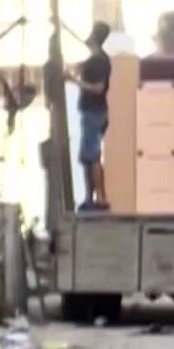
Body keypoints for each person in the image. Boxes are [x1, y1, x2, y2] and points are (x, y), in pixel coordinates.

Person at [68, 21, 114, 211]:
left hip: (94, 112)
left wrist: (74, 81)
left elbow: (98, 88)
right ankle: (90, 197)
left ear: (94, 37)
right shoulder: (97, 59)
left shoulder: (99, 61)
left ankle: (100, 198)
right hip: (93, 112)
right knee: (88, 156)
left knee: (93, 155)